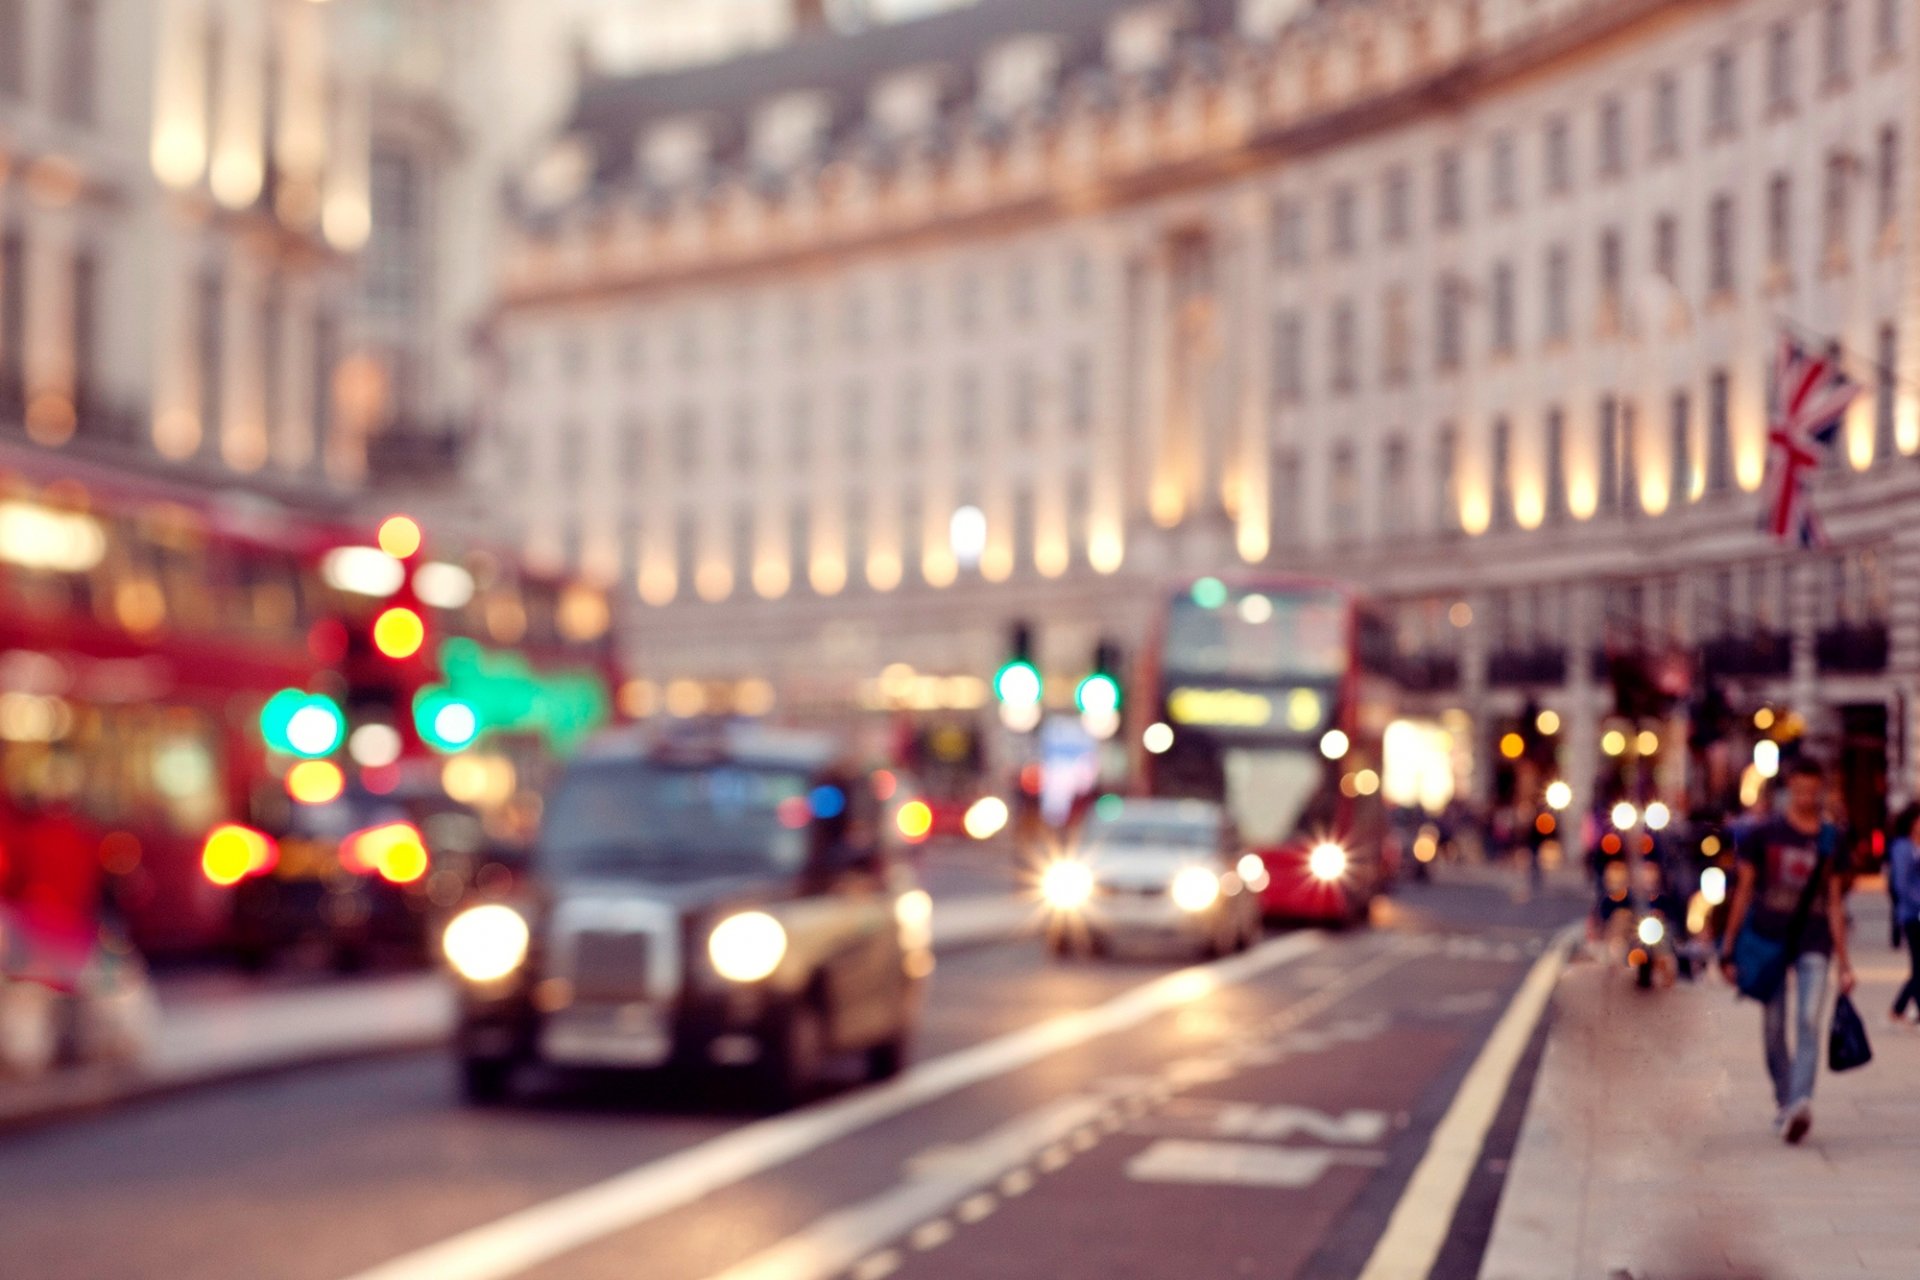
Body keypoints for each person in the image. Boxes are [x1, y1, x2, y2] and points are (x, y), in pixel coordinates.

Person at [1718, 758, 1854, 1145]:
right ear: (1788, 788)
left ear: (1821, 789)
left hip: (1814, 939)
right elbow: (1743, 892)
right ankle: (1784, 1101)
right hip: (1767, 939)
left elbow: (1833, 903)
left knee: (1809, 1020)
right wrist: (1728, 949)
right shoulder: (1764, 834)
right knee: (1774, 1026)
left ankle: (1800, 1103)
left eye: (1814, 790)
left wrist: (1844, 964)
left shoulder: (1831, 838)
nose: (1807, 796)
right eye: (1800, 789)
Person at [1888, 803, 1920, 1027]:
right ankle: (1900, 1008)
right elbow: (1901, 884)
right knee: (1919, 965)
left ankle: (1899, 1007)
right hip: (1912, 914)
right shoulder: (1902, 848)